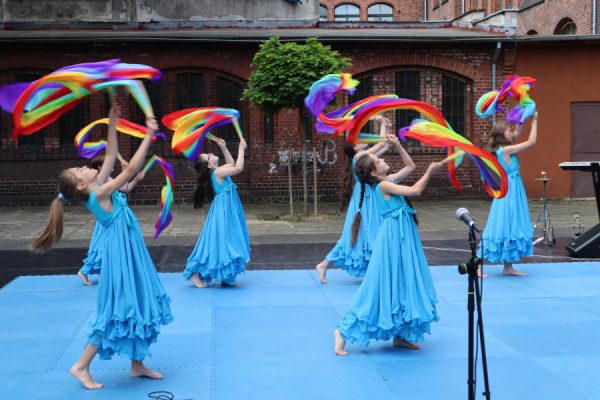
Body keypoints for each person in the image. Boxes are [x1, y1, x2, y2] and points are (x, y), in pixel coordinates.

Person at [32, 103, 172, 389]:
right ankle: (81, 365)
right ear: (80, 186)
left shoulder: (96, 188)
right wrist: (148, 135)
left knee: (139, 302)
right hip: (121, 257)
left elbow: (110, 154)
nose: (85, 166)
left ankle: (137, 364)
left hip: (130, 253)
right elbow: (130, 169)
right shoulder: (99, 195)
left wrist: (112, 122)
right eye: (80, 170)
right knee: (118, 309)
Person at [334, 153, 442, 355]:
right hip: (393, 239)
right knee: (379, 284)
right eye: (378, 161)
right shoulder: (383, 186)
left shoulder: (387, 181)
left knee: (402, 281)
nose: (383, 160)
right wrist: (429, 171)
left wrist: (398, 145)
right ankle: (343, 331)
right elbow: (415, 190)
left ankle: (401, 335)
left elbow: (410, 166)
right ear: (374, 172)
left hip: (403, 238)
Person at [316, 116, 415, 283]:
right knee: (360, 235)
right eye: (359, 139)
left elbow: (384, 145)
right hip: (365, 201)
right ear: (356, 147)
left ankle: (328, 264)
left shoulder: (364, 157)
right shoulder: (359, 158)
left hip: (369, 199)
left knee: (366, 234)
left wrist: (386, 127)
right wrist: (382, 123)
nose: (363, 139)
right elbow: (382, 144)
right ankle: (325, 263)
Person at [183, 138, 250, 288]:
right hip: (223, 211)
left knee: (227, 239)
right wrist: (241, 149)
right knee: (219, 240)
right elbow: (238, 168)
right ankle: (194, 273)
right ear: (209, 164)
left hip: (227, 210)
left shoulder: (217, 171)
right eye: (208, 155)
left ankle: (226, 275)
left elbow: (231, 164)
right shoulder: (217, 172)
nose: (211, 153)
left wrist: (224, 148)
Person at [478, 112, 539, 277]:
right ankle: (477, 265)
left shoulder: (504, 147)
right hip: (509, 192)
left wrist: (523, 116)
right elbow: (531, 142)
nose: (513, 132)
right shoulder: (505, 150)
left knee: (511, 225)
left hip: (514, 190)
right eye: (509, 130)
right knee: (501, 225)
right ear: (501, 135)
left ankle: (508, 267)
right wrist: (534, 120)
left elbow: (518, 131)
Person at [77, 155, 145, 285]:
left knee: (105, 247)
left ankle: (101, 271)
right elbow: (124, 186)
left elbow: (126, 188)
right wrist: (126, 170)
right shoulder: (101, 180)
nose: (112, 165)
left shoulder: (107, 178)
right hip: (109, 220)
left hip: (114, 217)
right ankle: (84, 270)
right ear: (100, 167)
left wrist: (136, 178)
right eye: (108, 163)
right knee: (101, 247)